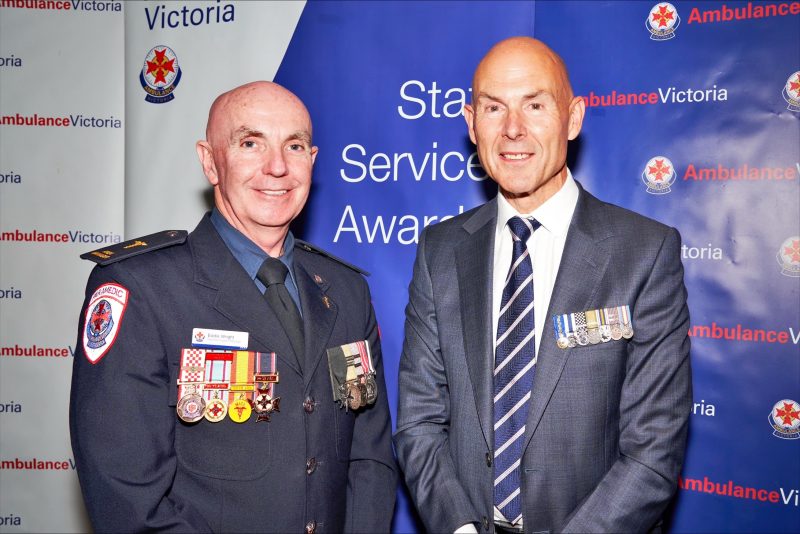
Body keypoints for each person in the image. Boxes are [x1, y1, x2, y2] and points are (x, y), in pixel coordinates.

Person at [70, 81, 397, 533]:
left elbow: (369, 455)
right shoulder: (142, 287)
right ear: (210, 161)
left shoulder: (344, 291)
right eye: (250, 143)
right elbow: (125, 493)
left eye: (295, 146)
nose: (277, 167)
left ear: (312, 160)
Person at [394, 37, 691, 533]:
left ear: (572, 118)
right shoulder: (440, 251)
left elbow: (653, 450)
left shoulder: (644, 252)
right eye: (494, 108)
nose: (513, 129)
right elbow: (419, 423)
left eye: (535, 104)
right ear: (471, 124)